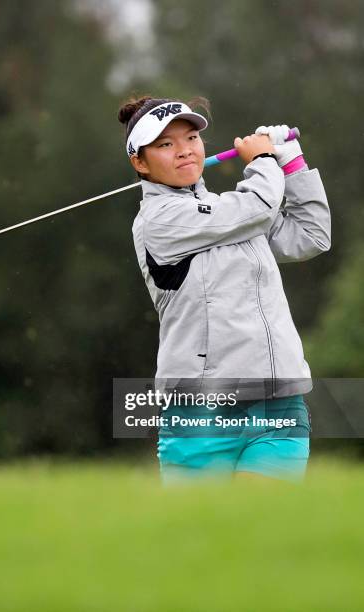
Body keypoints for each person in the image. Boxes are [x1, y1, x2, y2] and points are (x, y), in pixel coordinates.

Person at [117, 95, 331, 484]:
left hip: (278, 401)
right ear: (139, 162)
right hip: (200, 411)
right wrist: (264, 161)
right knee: (200, 541)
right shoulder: (159, 221)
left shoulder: (231, 212)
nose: (184, 151)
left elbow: (311, 236)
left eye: (191, 139)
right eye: (166, 145)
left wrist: (293, 161)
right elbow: (259, 207)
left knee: (265, 536)